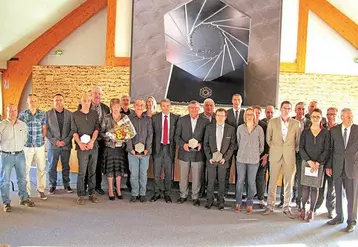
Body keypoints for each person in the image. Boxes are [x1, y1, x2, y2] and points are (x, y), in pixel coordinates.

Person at [262, 101, 301, 218]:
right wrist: (276, 148)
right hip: (275, 154)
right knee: (272, 181)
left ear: (291, 110)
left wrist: (289, 149)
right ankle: (270, 206)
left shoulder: (296, 123)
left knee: (288, 182)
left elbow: (297, 141)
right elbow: (268, 139)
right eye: (285, 108)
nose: (286, 110)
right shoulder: (273, 122)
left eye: (289, 108)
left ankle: (287, 207)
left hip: (289, 156)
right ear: (280, 109)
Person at [326, 108, 358, 233]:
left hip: (352, 168)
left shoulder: (357, 129)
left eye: (351, 116)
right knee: (338, 194)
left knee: (352, 196)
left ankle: (351, 221)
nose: (350, 118)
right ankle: (339, 217)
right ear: (341, 117)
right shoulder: (334, 131)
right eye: (347, 116)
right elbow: (331, 150)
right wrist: (329, 166)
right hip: (337, 167)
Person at [0, 104, 35, 212]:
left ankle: (24, 198)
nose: (13, 113)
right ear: (7, 112)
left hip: (20, 155)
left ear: (17, 111)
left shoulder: (23, 125)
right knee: (5, 180)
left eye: (14, 110)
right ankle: (6, 202)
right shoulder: (2, 125)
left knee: (22, 179)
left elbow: (25, 138)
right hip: (6, 155)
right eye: (10, 111)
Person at [175, 100, 210, 207]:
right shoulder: (182, 120)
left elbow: (208, 138)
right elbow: (176, 136)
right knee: (183, 176)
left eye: (196, 108)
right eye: (191, 108)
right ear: (188, 108)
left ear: (199, 109)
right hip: (184, 153)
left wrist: (201, 144)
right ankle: (183, 195)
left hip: (198, 154)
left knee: (197, 177)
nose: (194, 110)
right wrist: (183, 144)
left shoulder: (205, 121)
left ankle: (195, 197)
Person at [299, 108, 330, 222]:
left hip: (319, 164)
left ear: (321, 118)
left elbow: (327, 150)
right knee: (305, 187)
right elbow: (301, 148)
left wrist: (317, 163)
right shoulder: (305, 132)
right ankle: (303, 208)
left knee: (315, 188)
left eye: (318, 117)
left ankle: (311, 210)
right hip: (307, 163)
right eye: (313, 117)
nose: (315, 119)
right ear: (310, 118)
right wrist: (309, 161)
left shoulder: (326, 133)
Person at [278, 102, 311, 209]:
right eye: (298, 109)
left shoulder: (309, 123)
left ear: (305, 111)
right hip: (290, 151)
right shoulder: (288, 121)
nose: (301, 111)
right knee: (287, 176)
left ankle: (299, 201)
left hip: (304, 154)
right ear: (295, 110)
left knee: (301, 177)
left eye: (303, 109)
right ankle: (283, 200)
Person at [79, 86, 110, 195]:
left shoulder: (106, 108)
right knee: (85, 164)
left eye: (99, 94)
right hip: (86, 140)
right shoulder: (83, 105)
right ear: (91, 94)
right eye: (95, 93)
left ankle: (97, 186)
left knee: (98, 164)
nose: (97, 96)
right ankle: (85, 186)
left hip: (100, 140)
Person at [203, 108, 236, 210]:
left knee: (222, 181)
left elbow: (233, 145)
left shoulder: (231, 129)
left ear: (225, 117)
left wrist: (225, 158)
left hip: (223, 161)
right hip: (212, 160)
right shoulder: (209, 128)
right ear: (215, 116)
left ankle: (221, 201)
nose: (220, 118)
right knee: (211, 181)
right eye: (218, 115)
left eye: (222, 116)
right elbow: (205, 144)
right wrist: (209, 157)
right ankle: (209, 200)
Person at [72, 93, 100, 205]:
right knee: (82, 172)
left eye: (88, 101)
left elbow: (96, 129)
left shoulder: (94, 114)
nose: (86, 103)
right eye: (84, 101)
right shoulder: (75, 115)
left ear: (90, 102)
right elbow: (74, 131)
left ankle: (92, 193)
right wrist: (80, 143)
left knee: (92, 171)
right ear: (81, 101)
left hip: (93, 146)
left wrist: (92, 141)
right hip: (81, 148)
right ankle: (81, 194)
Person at [235, 108, 264, 214]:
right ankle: (238, 202)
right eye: (247, 114)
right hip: (241, 159)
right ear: (245, 115)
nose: (249, 116)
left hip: (254, 160)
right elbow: (238, 142)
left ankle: (250, 203)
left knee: (251, 182)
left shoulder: (259, 129)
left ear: (254, 116)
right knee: (240, 181)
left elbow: (261, 146)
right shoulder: (240, 128)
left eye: (251, 114)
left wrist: (255, 154)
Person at [19, 94, 47, 200]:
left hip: (39, 145)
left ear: (37, 101)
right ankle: (27, 192)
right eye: (31, 101)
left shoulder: (42, 114)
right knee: (26, 169)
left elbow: (44, 128)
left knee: (41, 168)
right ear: (27, 102)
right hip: (27, 146)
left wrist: (43, 140)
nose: (33, 102)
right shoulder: (23, 115)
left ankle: (41, 190)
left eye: (35, 100)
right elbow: (20, 129)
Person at [151, 99, 179, 203]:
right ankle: (156, 193)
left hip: (169, 148)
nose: (165, 108)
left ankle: (167, 194)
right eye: (163, 106)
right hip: (158, 148)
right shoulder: (155, 118)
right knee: (157, 173)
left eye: (167, 105)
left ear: (170, 106)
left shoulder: (176, 118)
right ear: (160, 107)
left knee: (168, 173)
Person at [46, 94, 74, 194]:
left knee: (66, 166)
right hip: (53, 145)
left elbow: (72, 130)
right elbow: (46, 130)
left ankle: (67, 185)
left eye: (60, 100)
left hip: (66, 145)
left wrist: (65, 141)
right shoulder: (47, 114)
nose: (58, 102)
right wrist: (55, 141)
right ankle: (52, 185)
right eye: (56, 100)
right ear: (53, 102)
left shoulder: (70, 114)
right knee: (52, 166)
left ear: (63, 101)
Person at [101, 99, 128, 200]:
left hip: (120, 147)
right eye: (114, 107)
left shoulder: (125, 118)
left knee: (118, 170)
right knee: (110, 170)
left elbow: (129, 131)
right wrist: (109, 136)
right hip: (110, 147)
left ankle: (118, 190)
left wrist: (125, 135)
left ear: (120, 107)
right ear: (111, 107)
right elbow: (101, 132)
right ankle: (111, 190)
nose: (116, 108)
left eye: (117, 106)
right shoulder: (106, 118)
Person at [127, 99, 153, 203]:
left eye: (141, 105)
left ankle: (142, 194)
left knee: (143, 173)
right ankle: (134, 193)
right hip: (132, 152)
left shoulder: (148, 119)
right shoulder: (128, 119)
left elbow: (150, 135)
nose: (139, 106)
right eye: (137, 105)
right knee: (133, 174)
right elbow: (127, 135)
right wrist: (130, 148)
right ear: (134, 106)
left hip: (145, 152)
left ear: (144, 107)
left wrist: (147, 148)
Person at [314, 107, 338, 217]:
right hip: (321, 162)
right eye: (328, 114)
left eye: (333, 114)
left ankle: (330, 209)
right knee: (319, 186)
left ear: (336, 115)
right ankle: (316, 206)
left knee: (331, 188)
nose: (330, 116)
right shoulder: (322, 128)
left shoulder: (339, 129)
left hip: (333, 163)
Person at [225, 94, 245, 195]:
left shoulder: (245, 113)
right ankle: (224, 192)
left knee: (240, 170)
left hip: (241, 146)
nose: (236, 102)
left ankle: (238, 194)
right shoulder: (227, 113)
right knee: (226, 168)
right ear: (232, 101)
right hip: (228, 145)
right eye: (234, 100)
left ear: (241, 101)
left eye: (238, 100)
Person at [253, 105, 269, 209]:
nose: (257, 115)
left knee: (260, 177)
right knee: (249, 177)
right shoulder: (245, 125)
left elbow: (268, 142)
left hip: (262, 156)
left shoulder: (265, 125)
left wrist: (266, 155)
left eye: (259, 113)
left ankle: (261, 199)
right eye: (255, 113)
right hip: (249, 156)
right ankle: (250, 197)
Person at [199, 98, 216, 198]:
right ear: (203, 106)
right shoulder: (199, 116)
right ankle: (201, 190)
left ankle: (211, 192)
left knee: (212, 173)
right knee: (201, 171)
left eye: (211, 105)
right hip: (201, 148)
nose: (209, 107)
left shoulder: (217, 116)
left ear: (214, 107)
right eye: (207, 105)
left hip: (214, 150)